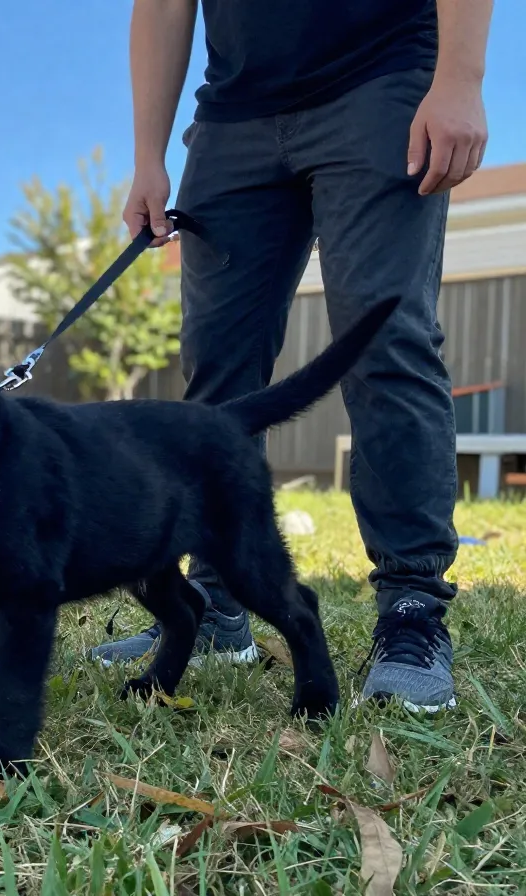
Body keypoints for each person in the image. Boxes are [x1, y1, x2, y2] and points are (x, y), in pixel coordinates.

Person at [92, 0, 493, 712]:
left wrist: (458, 78)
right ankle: (215, 606)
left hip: (382, 80)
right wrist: (148, 155)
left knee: (384, 341)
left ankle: (412, 611)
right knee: (216, 371)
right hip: (233, 113)